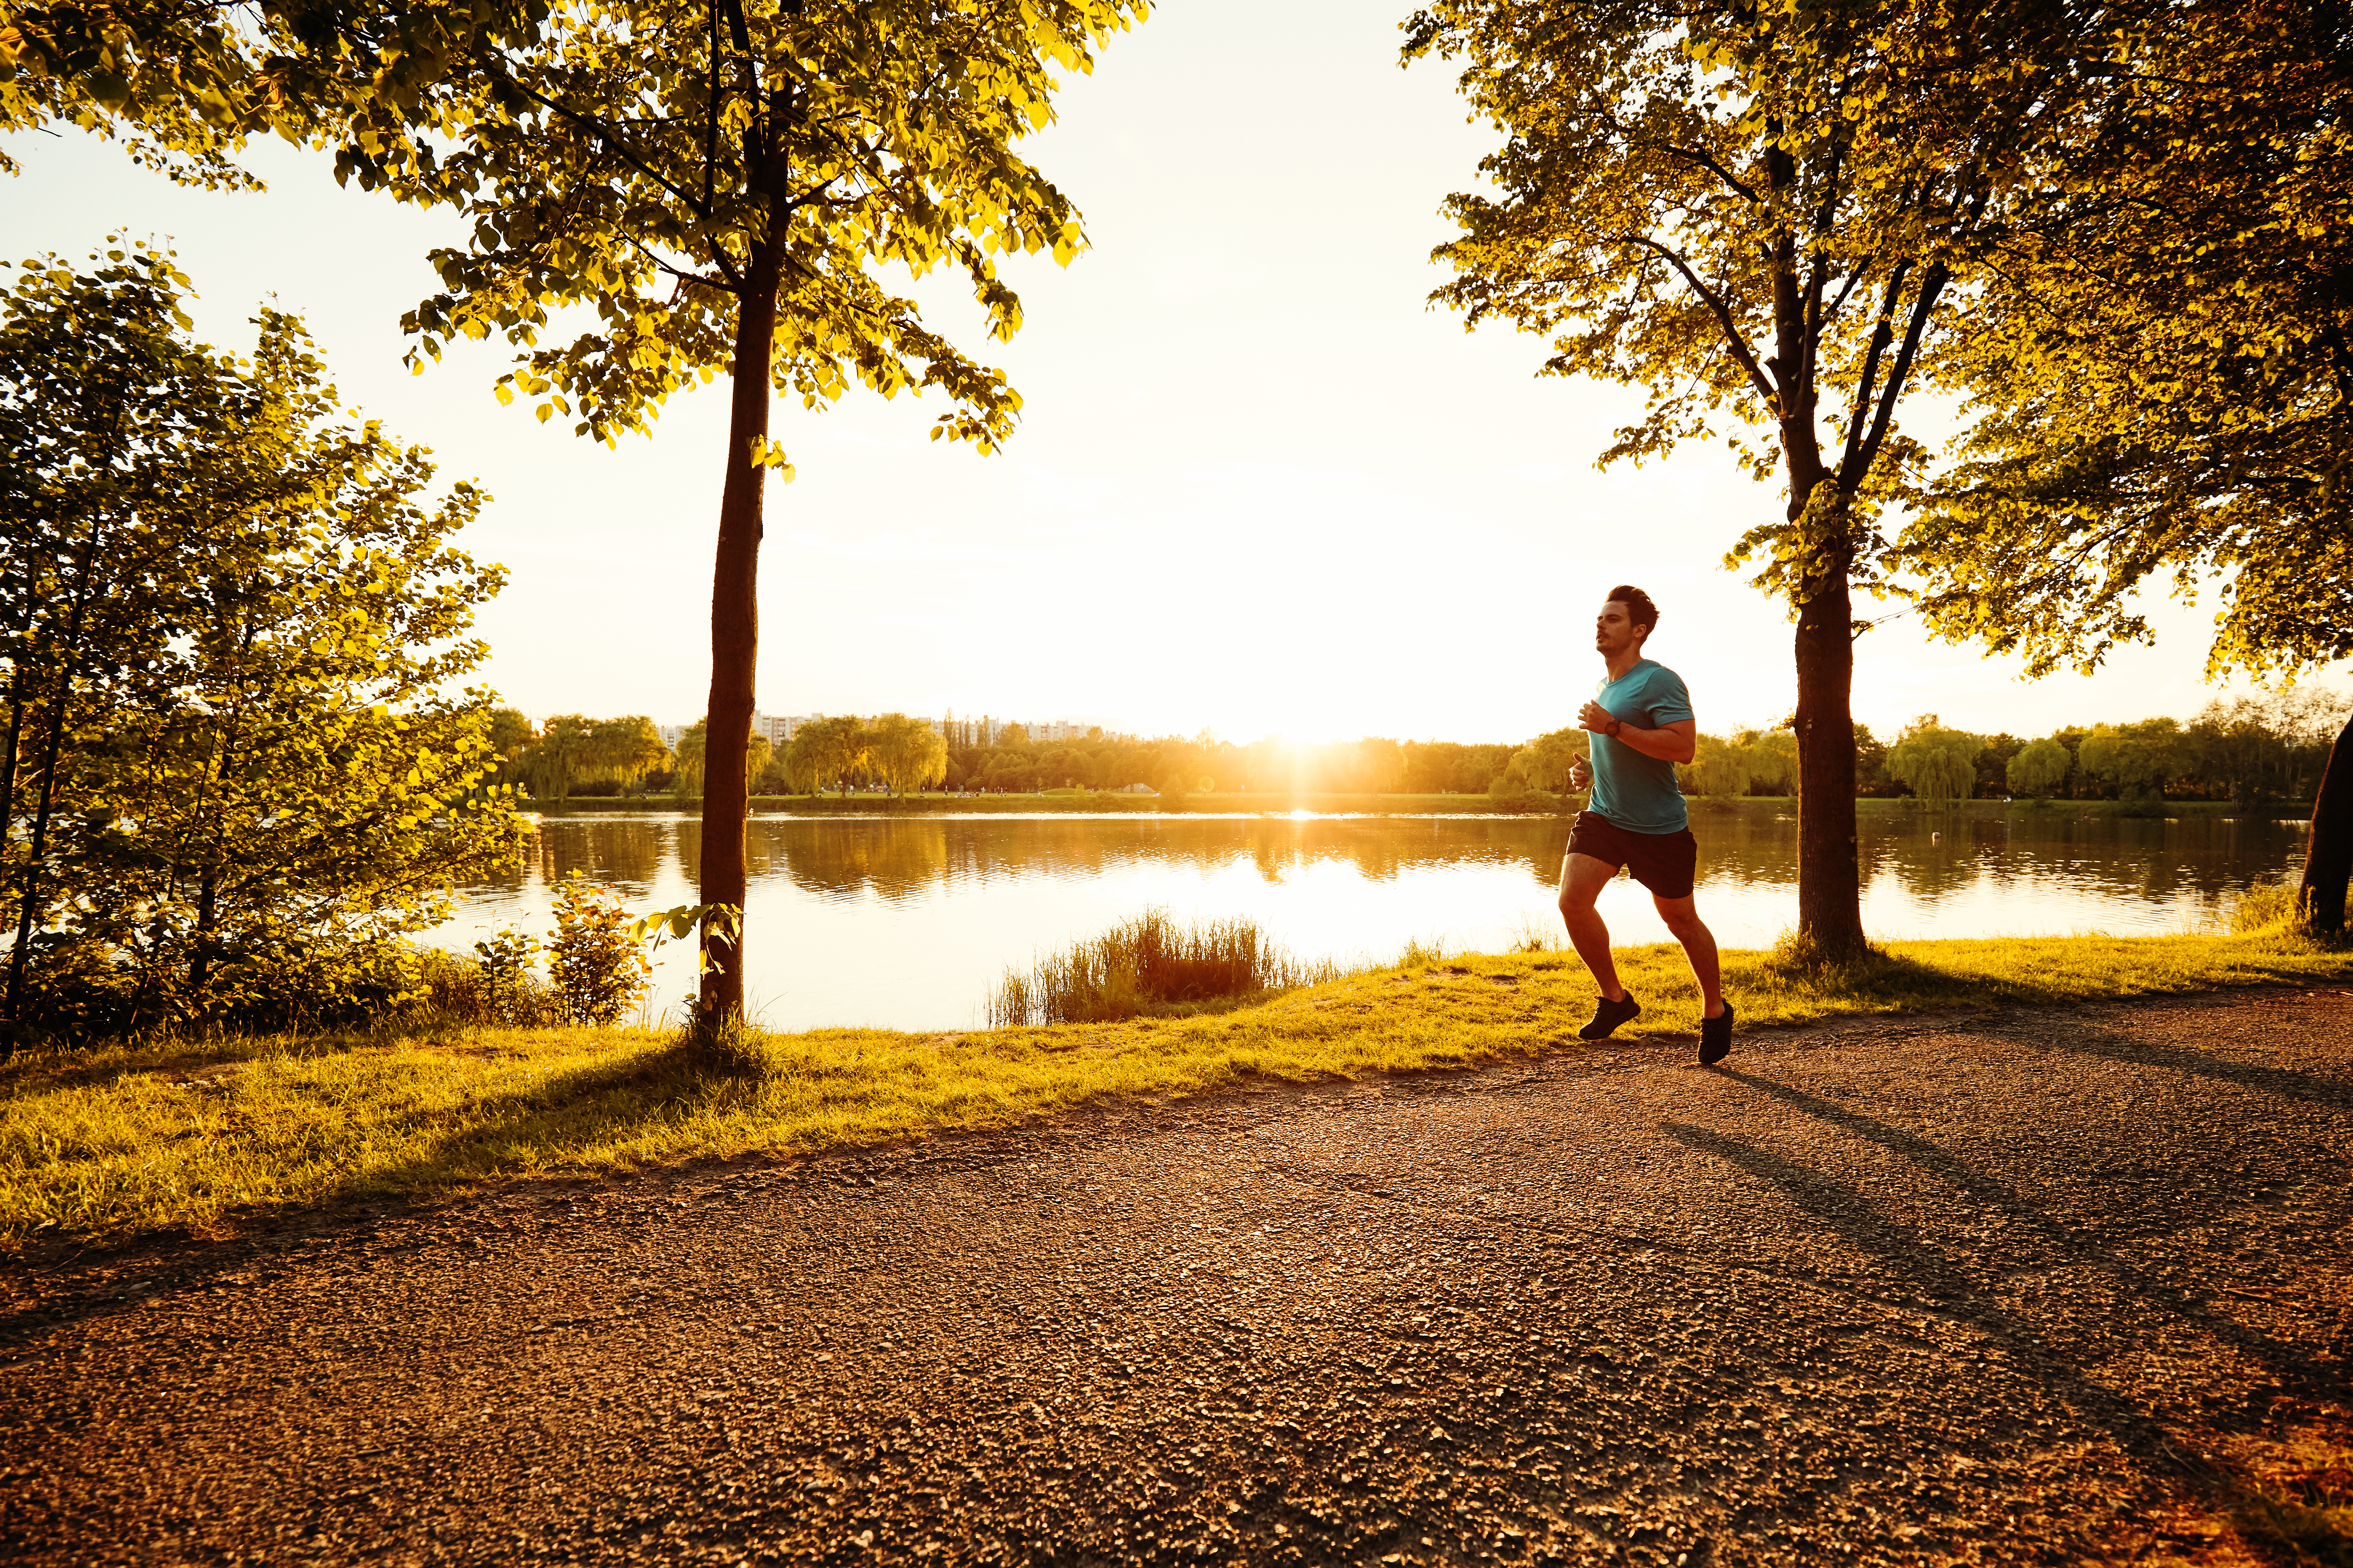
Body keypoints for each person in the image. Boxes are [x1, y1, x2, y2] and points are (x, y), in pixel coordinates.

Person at [1558, 585, 1734, 1064]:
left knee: (1680, 920)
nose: (1601, 625)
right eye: (1599, 618)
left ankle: (1716, 1012)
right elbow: (1615, 750)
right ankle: (1615, 999)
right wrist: (1591, 770)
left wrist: (1612, 727)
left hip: (1659, 827)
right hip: (1605, 815)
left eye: (1612, 619)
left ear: (1638, 631)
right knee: (1572, 901)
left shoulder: (1659, 681)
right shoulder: (1603, 686)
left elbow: (1682, 748)